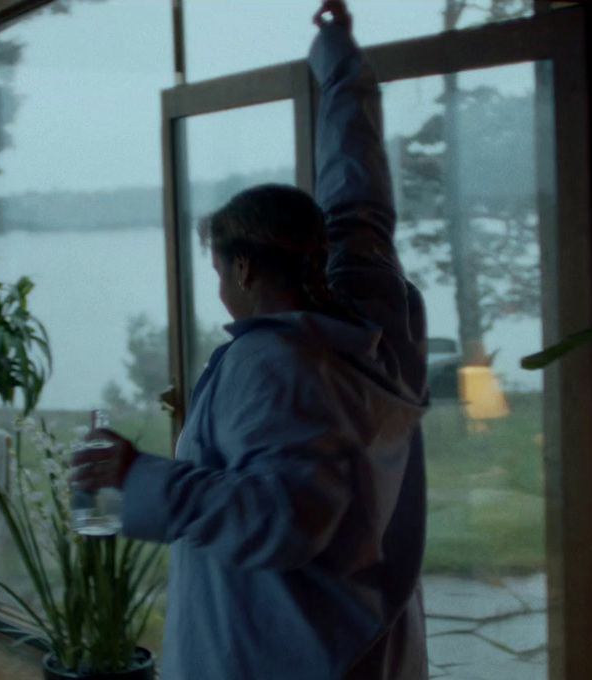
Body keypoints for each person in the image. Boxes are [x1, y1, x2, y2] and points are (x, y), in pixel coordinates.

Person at [72, 2, 428, 678]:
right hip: (360, 639)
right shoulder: (374, 319)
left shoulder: (273, 362)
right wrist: (338, 59)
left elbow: (285, 517)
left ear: (242, 266)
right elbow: (359, 193)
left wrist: (135, 477)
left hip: (274, 656)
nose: (219, 287)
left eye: (216, 269)